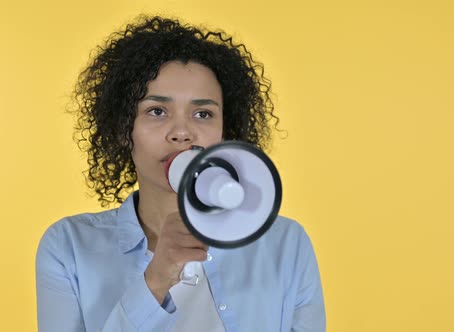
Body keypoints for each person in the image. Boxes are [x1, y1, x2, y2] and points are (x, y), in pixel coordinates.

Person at [36, 16, 325, 332]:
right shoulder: (69, 247)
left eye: (203, 114)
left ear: (225, 133)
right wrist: (156, 279)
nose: (182, 133)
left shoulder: (285, 244)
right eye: (157, 111)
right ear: (123, 129)